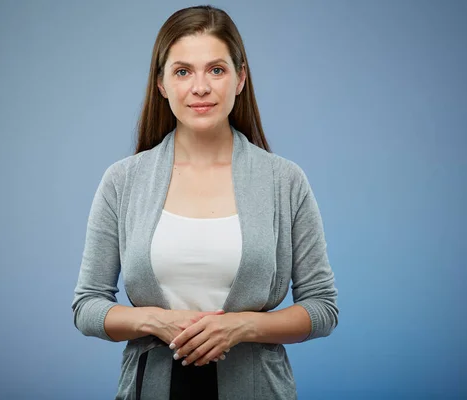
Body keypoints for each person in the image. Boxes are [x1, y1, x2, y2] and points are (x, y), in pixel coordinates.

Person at [71, 5, 338, 400]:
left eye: (216, 70)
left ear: (240, 78)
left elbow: (322, 308)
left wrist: (242, 327)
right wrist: (154, 320)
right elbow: (87, 306)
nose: (200, 87)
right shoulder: (123, 181)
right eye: (182, 71)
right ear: (161, 83)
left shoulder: (284, 181)